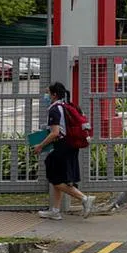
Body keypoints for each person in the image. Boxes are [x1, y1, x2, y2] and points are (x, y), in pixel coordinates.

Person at [33, 82, 94, 221]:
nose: (46, 95)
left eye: (47, 93)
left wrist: (40, 146)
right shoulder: (67, 106)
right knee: (58, 178)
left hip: (62, 147)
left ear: (54, 94)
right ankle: (55, 211)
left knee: (55, 178)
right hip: (71, 145)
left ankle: (84, 199)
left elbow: (55, 133)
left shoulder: (54, 109)